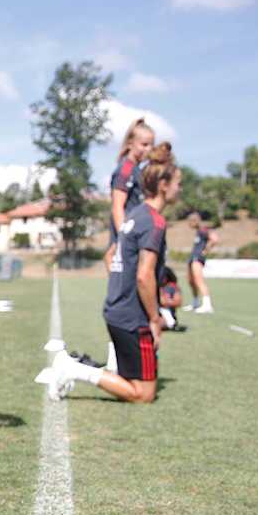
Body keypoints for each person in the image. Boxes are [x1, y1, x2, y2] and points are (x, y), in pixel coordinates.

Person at [45, 144, 181, 404]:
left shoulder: (134, 215)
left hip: (117, 310)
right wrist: (155, 319)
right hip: (133, 318)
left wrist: (121, 287)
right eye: (177, 182)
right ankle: (73, 369)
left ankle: (79, 368)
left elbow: (110, 255)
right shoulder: (154, 221)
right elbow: (144, 275)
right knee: (144, 394)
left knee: (133, 382)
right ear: (163, 184)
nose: (180, 188)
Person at [103, 119, 155, 371]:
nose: (148, 149)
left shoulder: (137, 171)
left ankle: (120, 360)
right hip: (124, 245)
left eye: (151, 144)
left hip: (127, 244)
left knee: (126, 304)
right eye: (144, 144)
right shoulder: (125, 170)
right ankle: (117, 360)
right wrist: (123, 242)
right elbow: (117, 206)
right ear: (131, 143)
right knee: (123, 305)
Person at [184, 212, 218, 313]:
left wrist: (205, 251)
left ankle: (207, 305)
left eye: (189, 222)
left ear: (194, 221)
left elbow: (214, 239)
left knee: (199, 280)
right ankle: (195, 302)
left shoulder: (204, 229)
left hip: (198, 257)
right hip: (192, 257)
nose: (189, 225)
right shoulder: (198, 231)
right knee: (191, 280)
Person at [159, 266, 185, 332]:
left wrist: (166, 301)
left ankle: (171, 323)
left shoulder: (172, 286)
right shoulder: (153, 285)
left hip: (167, 315)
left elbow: (178, 302)